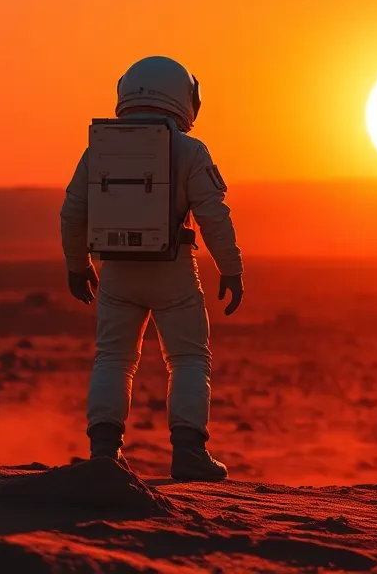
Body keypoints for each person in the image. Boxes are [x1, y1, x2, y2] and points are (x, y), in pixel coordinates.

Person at [60, 55, 244, 481]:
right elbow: (214, 215)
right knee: (188, 358)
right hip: (173, 269)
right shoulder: (190, 150)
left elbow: (72, 212)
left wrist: (77, 265)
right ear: (184, 97)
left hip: (116, 270)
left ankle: (105, 452)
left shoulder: (100, 148)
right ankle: (189, 453)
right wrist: (231, 269)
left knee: (114, 358)